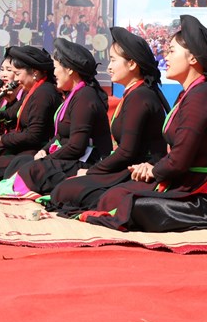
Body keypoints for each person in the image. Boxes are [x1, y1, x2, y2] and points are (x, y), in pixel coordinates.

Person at [79, 15, 207, 235]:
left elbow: (179, 160)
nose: (165, 56)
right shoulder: (190, 93)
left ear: (193, 58)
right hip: (186, 181)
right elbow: (179, 155)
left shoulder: (202, 97)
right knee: (115, 194)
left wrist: (154, 169)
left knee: (131, 204)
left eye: (172, 51)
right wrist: (151, 168)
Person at [49, 27, 170, 214]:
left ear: (132, 64)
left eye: (113, 60)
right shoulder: (134, 93)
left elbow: (127, 152)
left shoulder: (141, 97)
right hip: (127, 166)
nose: (109, 67)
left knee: (68, 191)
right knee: (64, 188)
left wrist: (92, 171)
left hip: (141, 172)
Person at [0, 38, 112, 195]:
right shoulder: (74, 94)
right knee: (21, 162)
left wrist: (48, 158)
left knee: (34, 170)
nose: (54, 73)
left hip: (86, 162)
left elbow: (76, 147)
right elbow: (59, 135)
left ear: (70, 70)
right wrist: (44, 151)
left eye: (57, 67)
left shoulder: (86, 97)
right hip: (68, 156)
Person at [0, 46, 61, 183]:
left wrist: (1, 137)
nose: (16, 80)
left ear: (34, 72)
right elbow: (11, 113)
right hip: (23, 146)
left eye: (17, 74)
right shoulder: (34, 90)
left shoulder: (44, 93)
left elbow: (34, 136)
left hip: (36, 150)